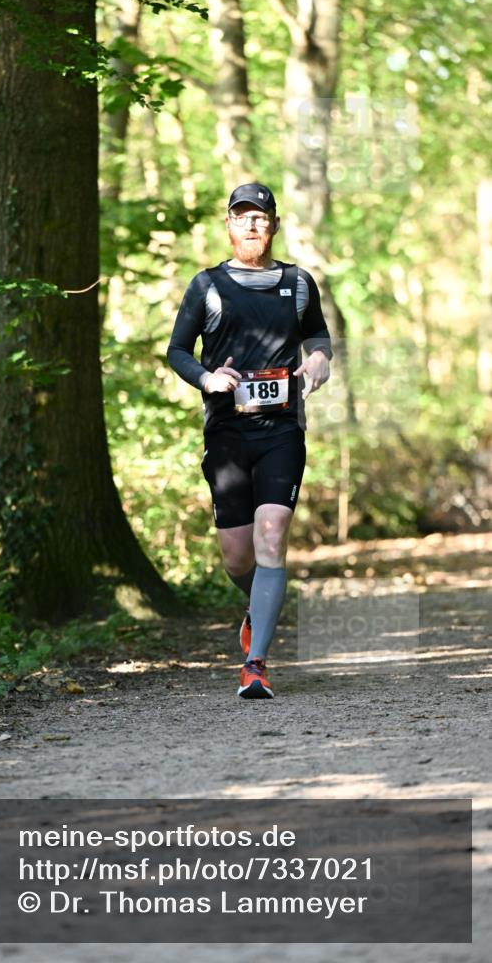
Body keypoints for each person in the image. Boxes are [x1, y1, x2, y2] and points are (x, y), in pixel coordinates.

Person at [167, 182, 332, 699]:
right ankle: (256, 604)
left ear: (274, 226)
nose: (252, 225)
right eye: (242, 217)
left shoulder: (298, 283)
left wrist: (321, 358)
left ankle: (255, 663)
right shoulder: (207, 286)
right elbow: (177, 351)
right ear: (229, 226)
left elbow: (319, 336)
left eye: (261, 217)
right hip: (228, 434)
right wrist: (207, 378)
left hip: (283, 429)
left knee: (271, 536)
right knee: (239, 559)